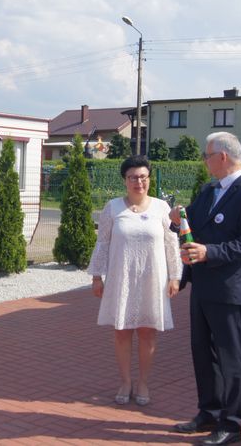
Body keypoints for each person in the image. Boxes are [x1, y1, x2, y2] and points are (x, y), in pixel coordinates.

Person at [170, 132, 241, 445]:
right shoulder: (210, 189)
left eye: (206, 155)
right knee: (202, 353)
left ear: (222, 157)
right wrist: (177, 221)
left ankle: (231, 425)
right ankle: (208, 412)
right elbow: (193, 225)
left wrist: (210, 252)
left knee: (230, 358)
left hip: (228, 290)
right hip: (202, 285)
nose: (204, 160)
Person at [87, 155, 181, 407]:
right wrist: (97, 276)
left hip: (153, 279)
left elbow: (171, 244)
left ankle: (143, 382)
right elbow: (103, 243)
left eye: (143, 177)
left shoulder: (162, 208)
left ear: (149, 179)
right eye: (132, 177)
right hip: (122, 279)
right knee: (121, 331)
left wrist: (175, 276)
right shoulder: (113, 208)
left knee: (148, 332)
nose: (138, 182)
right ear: (125, 181)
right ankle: (126, 381)